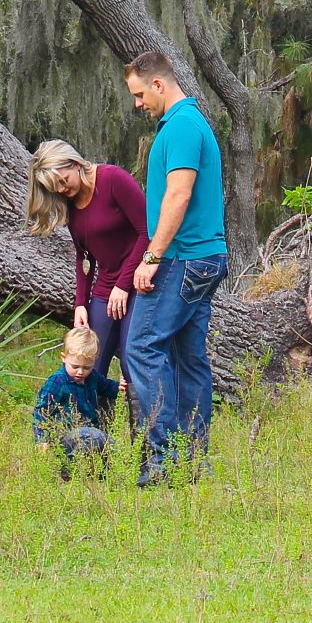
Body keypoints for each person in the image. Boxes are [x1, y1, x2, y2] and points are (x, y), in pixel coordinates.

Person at [121, 47, 227, 487]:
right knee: (187, 357)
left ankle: (162, 460)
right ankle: (191, 460)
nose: (137, 104)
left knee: (141, 347)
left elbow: (178, 196)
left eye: (140, 94)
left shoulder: (182, 126)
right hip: (205, 258)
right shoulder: (189, 123)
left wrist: (151, 257)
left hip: (184, 258)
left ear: (159, 84)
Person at [24, 138, 148, 402]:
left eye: (62, 179)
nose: (61, 188)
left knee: (132, 360)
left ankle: (142, 438)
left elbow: (147, 232)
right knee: (90, 362)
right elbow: (84, 255)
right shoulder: (70, 202)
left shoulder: (113, 180)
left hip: (137, 282)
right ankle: (92, 436)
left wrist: (123, 286)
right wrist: (81, 303)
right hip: (105, 287)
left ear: (74, 163)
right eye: (54, 187)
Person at [32, 326, 119, 477]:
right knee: (92, 437)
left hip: (89, 432)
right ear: (63, 357)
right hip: (65, 434)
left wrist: (122, 387)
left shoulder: (92, 377)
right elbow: (42, 411)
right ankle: (67, 472)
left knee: (109, 445)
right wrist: (41, 439)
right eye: (75, 366)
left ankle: (104, 476)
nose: (80, 372)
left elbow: (108, 388)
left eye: (86, 367)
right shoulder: (57, 381)